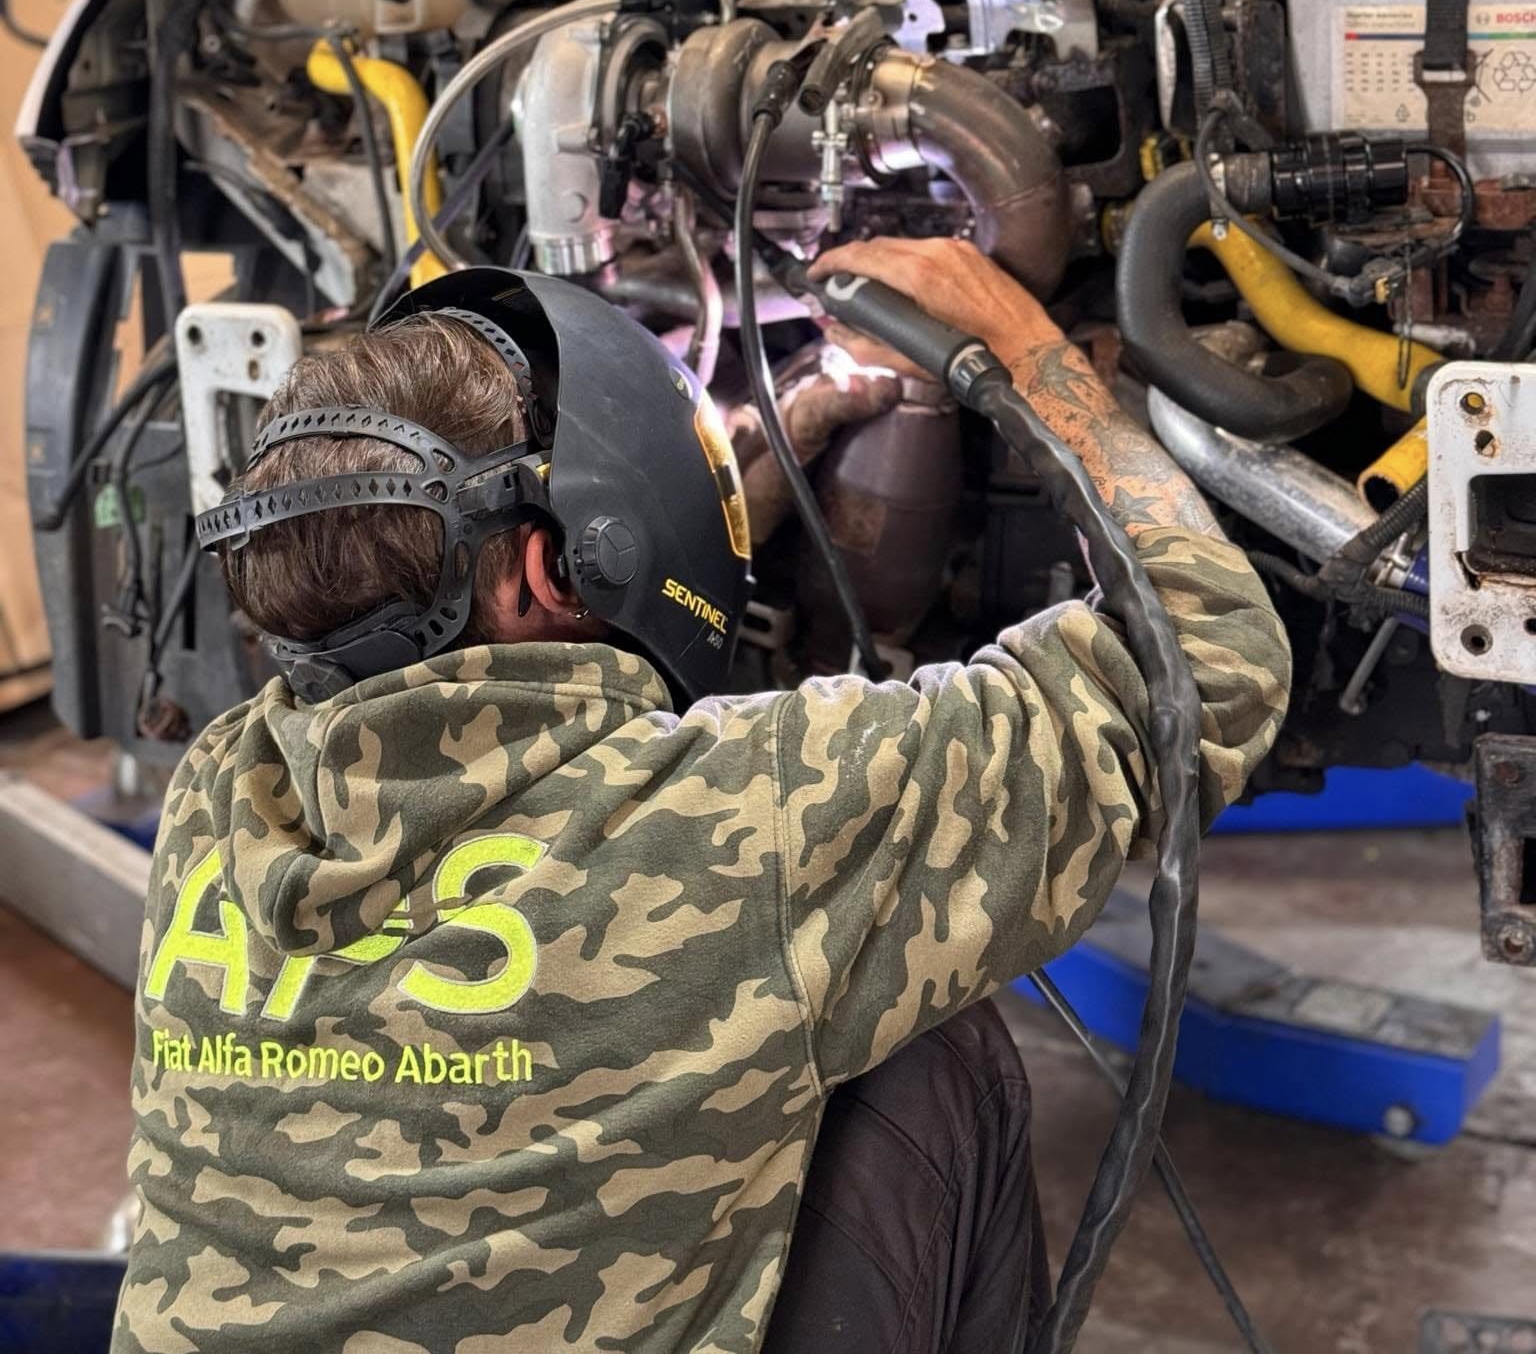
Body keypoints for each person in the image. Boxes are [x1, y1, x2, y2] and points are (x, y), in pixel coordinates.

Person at [111, 236, 1289, 1354]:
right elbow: (1208, 661)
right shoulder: (755, 816)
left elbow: (568, 626)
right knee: (932, 1031)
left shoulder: (219, 790)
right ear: (550, 567)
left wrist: (773, 445)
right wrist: (1027, 354)